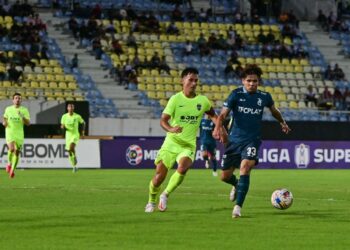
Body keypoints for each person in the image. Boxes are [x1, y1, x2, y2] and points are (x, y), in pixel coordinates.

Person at [213, 64, 291, 218]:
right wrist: (217, 127)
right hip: (234, 141)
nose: (252, 83)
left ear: (259, 81)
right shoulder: (235, 95)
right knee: (224, 176)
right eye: (249, 80)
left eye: (255, 81)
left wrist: (282, 122)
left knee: (245, 168)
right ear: (243, 80)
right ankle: (236, 184)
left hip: (252, 140)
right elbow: (222, 115)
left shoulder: (264, 97)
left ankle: (238, 207)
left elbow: (274, 111)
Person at [145, 67, 221, 213]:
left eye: (196, 80)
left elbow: (214, 116)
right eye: (190, 80)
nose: (193, 83)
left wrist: (218, 127)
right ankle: (151, 201)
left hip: (188, 145)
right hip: (171, 142)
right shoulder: (175, 99)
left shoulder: (202, 101)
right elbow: (163, 120)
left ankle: (165, 194)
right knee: (159, 176)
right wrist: (171, 129)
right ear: (182, 81)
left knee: (183, 167)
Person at [3, 93, 30, 178]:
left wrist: (22, 116)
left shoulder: (24, 110)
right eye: (16, 98)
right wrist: (5, 122)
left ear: (21, 100)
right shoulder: (8, 109)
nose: (17, 99)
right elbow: (5, 118)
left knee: (17, 152)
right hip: (10, 132)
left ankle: (12, 170)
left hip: (19, 134)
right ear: (13, 100)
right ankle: (8, 163)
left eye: (19, 98)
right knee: (11, 148)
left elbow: (28, 123)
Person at [60, 103, 85, 173]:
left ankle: (75, 158)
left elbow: (83, 123)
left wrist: (83, 132)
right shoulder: (64, 116)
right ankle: (74, 166)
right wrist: (62, 128)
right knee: (69, 151)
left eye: (72, 107)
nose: (70, 108)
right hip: (68, 135)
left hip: (75, 134)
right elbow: (62, 125)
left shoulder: (77, 116)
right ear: (67, 108)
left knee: (71, 147)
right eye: (69, 107)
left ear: (73, 108)